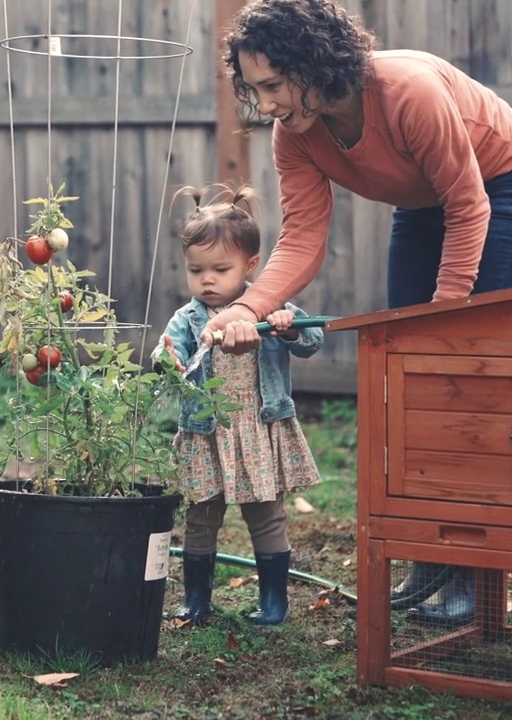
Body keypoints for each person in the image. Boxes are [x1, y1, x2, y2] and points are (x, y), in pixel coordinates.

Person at [204, 0, 512, 624]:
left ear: (313, 63)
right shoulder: (296, 135)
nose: (269, 103)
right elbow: (305, 235)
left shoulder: (407, 92)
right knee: (408, 380)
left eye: (275, 85)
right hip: (422, 206)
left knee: (463, 378)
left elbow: (469, 207)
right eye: (255, 89)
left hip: (500, 188)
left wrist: (446, 320)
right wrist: (246, 308)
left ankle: (474, 572)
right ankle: (427, 563)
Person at [157, 184, 324, 627]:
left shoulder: (269, 309)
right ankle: (196, 600)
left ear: (251, 266)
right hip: (207, 432)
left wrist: (286, 327)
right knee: (200, 517)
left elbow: (313, 340)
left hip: (258, 427)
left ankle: (274, 602)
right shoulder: (189, 318)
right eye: (196, 270)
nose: (206, 280)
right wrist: (167, 360)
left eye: (220, 269)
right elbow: (166, 354)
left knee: (266, 516)